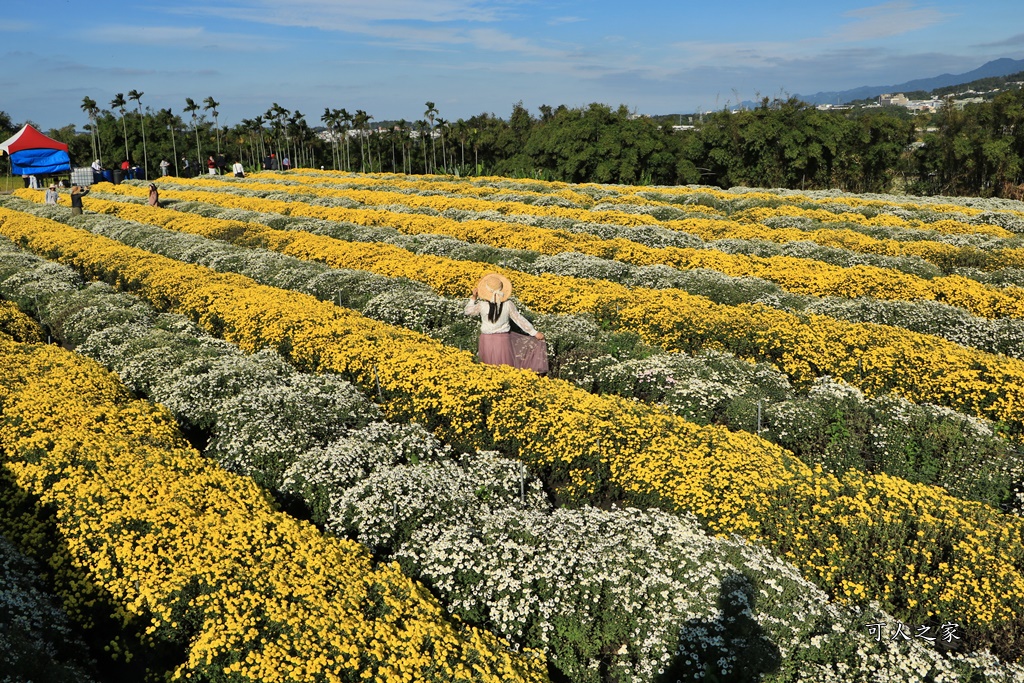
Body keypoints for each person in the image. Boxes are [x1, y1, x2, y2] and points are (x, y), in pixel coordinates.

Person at [464, 272, 547, 373]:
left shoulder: (482, 305)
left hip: (486, 340)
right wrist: (534, 333)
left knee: (487, 370)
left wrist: (473, 298)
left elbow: (467, 311)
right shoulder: (508, 304)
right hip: (503, 340)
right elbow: (519, 320)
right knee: (505, 369)